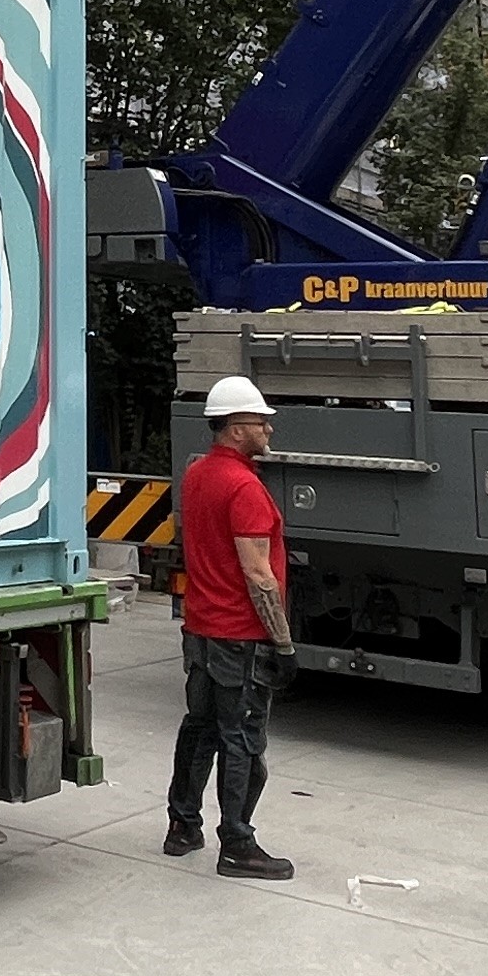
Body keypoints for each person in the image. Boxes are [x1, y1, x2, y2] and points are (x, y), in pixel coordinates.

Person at [164, 373, 295, 880]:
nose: (268, 430)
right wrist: (282, 643)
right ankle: (238, 843)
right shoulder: (245, 487)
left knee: (197, 728)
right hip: (239, 637)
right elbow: (257, 572)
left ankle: (182, 826)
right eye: (261, 422)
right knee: (241, 739)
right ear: (237, 428)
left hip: (199, 629)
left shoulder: (197, 475)